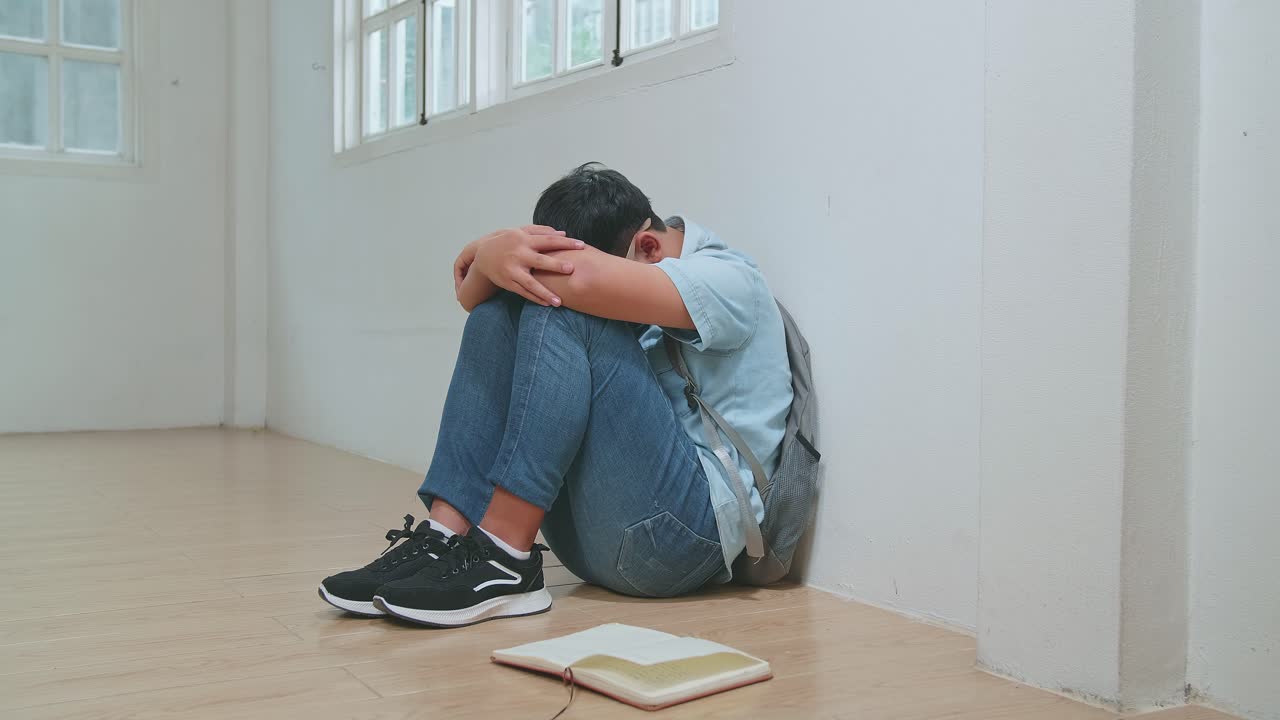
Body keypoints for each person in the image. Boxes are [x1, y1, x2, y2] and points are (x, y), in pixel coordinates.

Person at [319, 163, 793, 627]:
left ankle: (505, 556)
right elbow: (477, 296)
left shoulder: (729, 279)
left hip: (684, 540)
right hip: (595, 535)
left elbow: (577, 279)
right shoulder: (654, 262)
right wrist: (491, 260)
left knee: (561, 305)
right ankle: (444, 537)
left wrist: (488, 252)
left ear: (648, 245)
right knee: (498, 310)